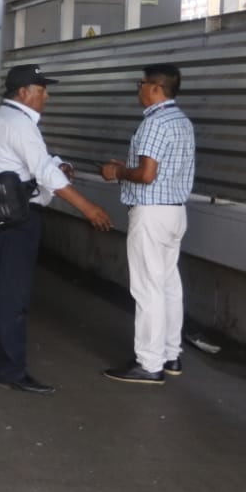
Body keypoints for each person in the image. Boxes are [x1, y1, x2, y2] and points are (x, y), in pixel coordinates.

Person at [0, 64, 114, 395]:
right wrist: (87, 208)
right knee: (12, 296)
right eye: (41, 89)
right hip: (16, 219)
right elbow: (45, 172)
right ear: (23, 93)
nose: (46, 95)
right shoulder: (20, 124)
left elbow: (29, 166)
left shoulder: (0, 119)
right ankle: (11, 371)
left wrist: (54, 167)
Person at [100, 64, 196, 385]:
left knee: (147, 288)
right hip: (175, 213)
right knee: (169, 285)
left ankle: (149, 364)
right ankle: (170, 355)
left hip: (151, 213)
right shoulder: (182, 122)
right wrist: (128, 168)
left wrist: (117, 172)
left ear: (155, 88)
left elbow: (146, 175)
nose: (138, 89)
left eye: (140, 84)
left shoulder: (154, 123)